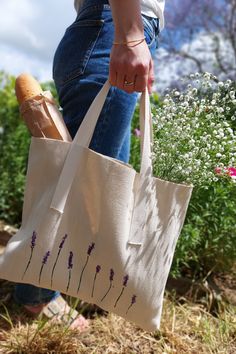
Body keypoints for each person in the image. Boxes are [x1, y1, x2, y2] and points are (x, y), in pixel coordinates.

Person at [14, 0, 165, 331]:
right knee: (84, 184)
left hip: (112, 30)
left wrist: (140, 40)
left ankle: (69, 283)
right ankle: (36, 294)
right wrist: (131, 36)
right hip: (113, 28)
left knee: (103, 188)